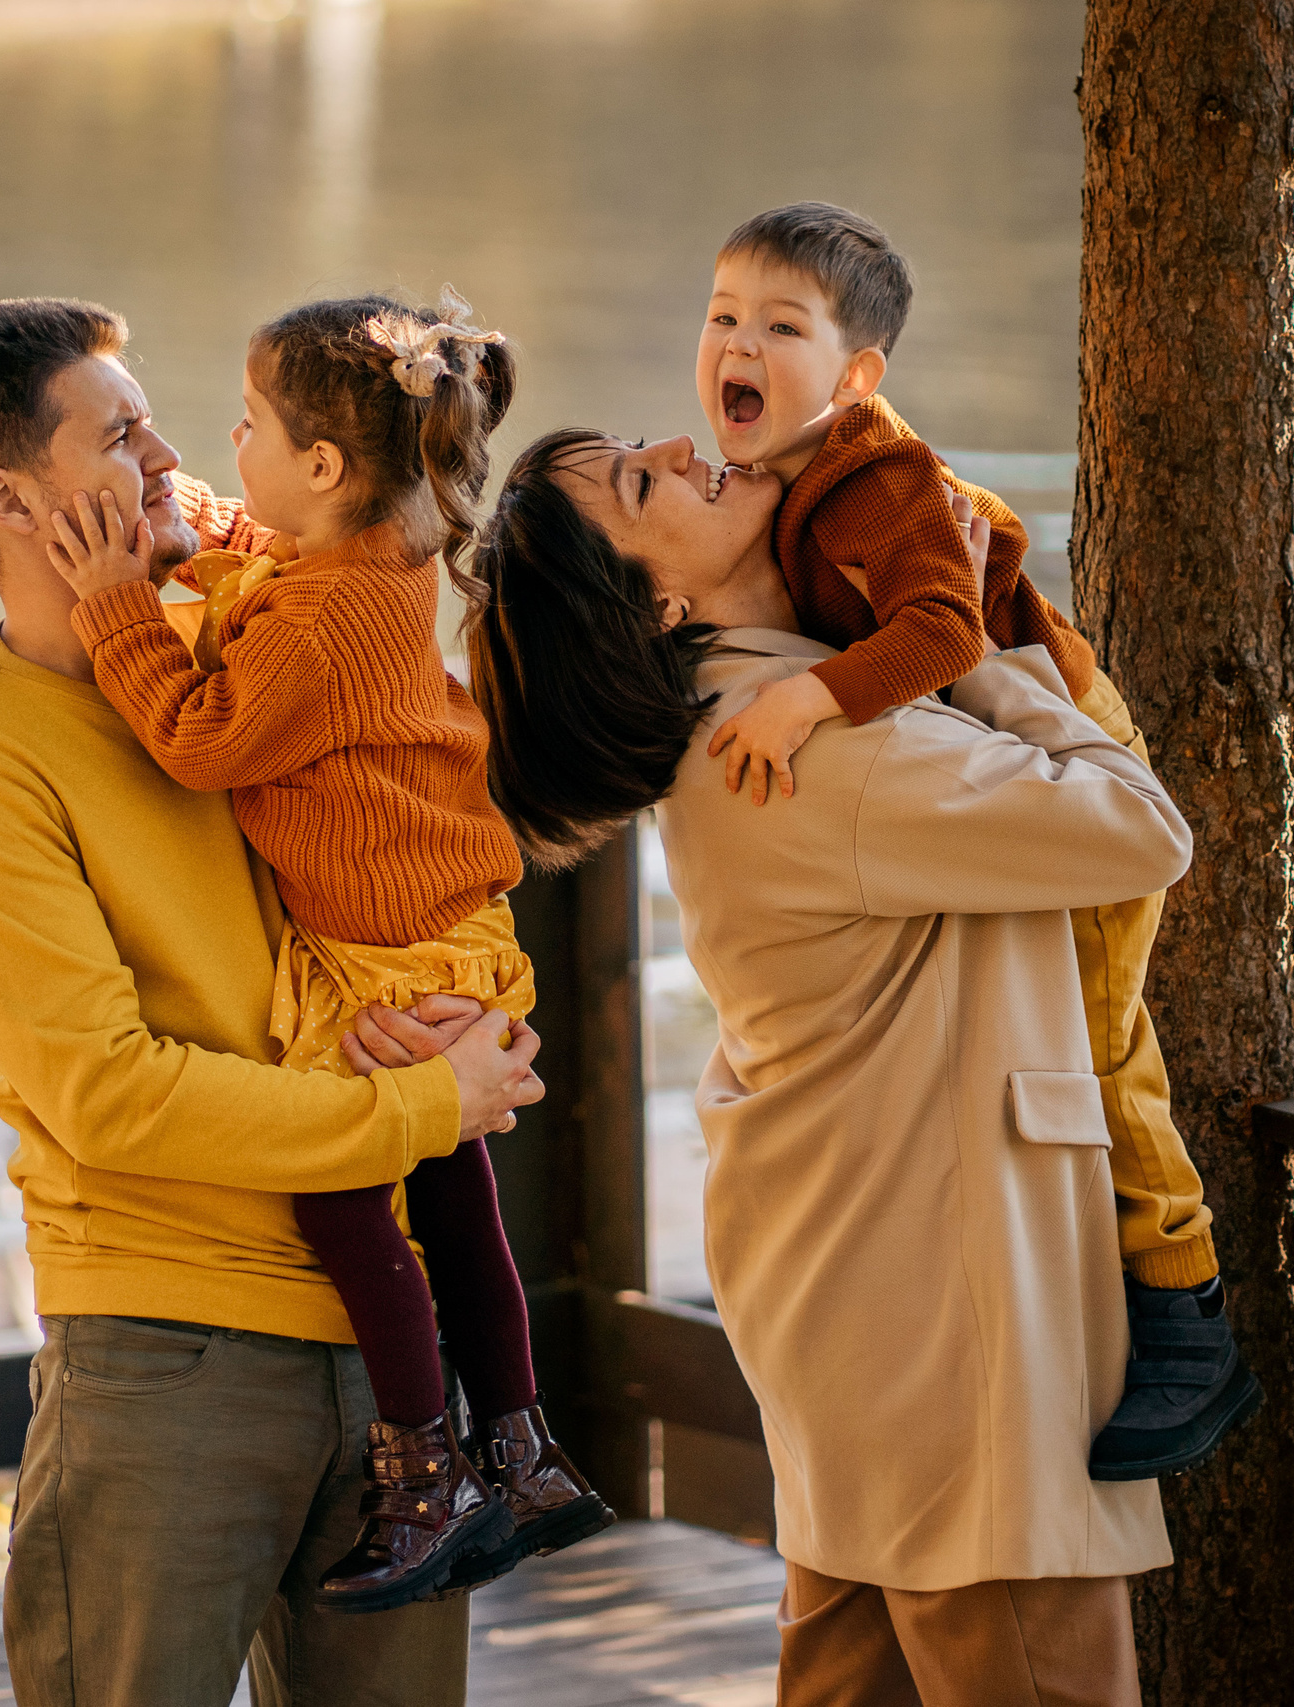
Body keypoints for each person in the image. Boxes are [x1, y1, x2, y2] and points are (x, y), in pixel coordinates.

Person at [0, 295, 545, 1707]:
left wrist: (467, 1006)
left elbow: (409, 828)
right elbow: (111, 1093)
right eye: (122, 435)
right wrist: (423, 1105)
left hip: (384, 1338)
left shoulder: (254, 629)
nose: (171, 454)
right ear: (9, 500)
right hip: (170, 1361)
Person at [462, 428, 1197, 1704]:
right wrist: (975, 642)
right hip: (946, 1317)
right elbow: (1138, 829)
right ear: (657, 603)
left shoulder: (773, 714)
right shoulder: (818, 748)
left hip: (864, 1296)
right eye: (641, 482)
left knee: (851, 1676)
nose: (680, 445)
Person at [34, 289, 609, 1613]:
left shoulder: (321, 619)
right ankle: (522, 1450)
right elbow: (267, 557)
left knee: (345, 1204)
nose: (225, 443)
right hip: (438, 929)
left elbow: (204, 739)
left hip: (383, 956)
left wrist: (119, 605)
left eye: (249, 426)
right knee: (455, 1204)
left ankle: (425, 1475)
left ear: (328, 466)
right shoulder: (377, 552)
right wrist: (187, 529)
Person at [690, 202, 1255, 1478]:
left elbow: (943, 634)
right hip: (1001, 747)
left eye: (781, 327)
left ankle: (1185, 1303)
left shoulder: (876, 480)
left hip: (1071, 733)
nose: (738, 345)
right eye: (722, 317)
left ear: (855, 376)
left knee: (1102, 1032)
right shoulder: (779, 471)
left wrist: (807, 697)